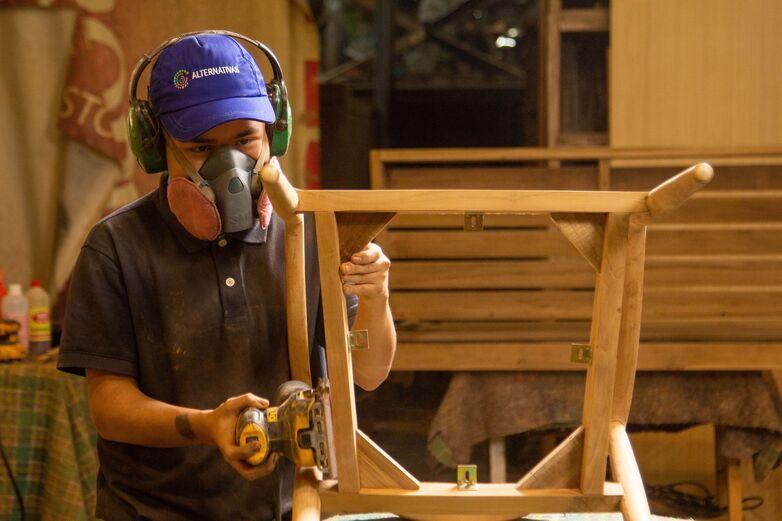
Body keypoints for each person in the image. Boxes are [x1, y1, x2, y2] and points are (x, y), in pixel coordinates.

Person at [57, 33, 396, 521]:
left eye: (244, 140)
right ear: (155, 147)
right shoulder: (116, 247)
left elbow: (368, 373)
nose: (230, 167)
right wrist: (205, 425)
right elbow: (109, 408)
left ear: (274, 134)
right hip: (151, 512)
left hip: (285, 508)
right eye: (200, 147)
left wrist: (376, 296)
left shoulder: (306, 235)